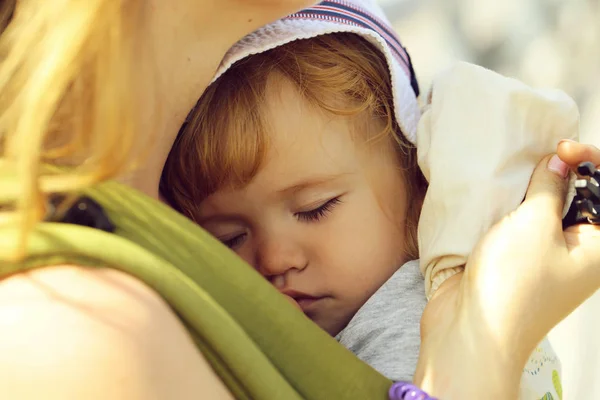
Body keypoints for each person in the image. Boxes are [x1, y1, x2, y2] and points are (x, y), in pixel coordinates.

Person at [0, 0, 598, 399]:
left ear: (416, 179)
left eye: (314, 208)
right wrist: (491, 329)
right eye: (228, 238)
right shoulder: (69, 325)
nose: (275, 257)